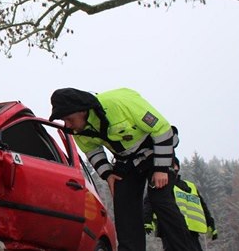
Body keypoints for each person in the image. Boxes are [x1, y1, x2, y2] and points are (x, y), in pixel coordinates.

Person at [49, 87, 197, 251]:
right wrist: (108, 174)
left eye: (69, 118)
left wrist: (161, 168)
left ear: (82, 111)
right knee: (123, 203)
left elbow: (162, 130)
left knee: (160, 199)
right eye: (63, 120)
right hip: (126, 161)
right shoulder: (77, 129)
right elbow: (92, 150)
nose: (67, 124)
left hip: (156, 151)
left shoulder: (120, 104)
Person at [144, 157, 218, 250]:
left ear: (177, 167)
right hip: (170, 228)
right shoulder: (162, 183)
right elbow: (150, 201)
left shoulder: (190, 186)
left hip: (192, 230)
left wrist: (210, 223)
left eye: (173, 165)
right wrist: (147, 219)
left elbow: (202, 206)